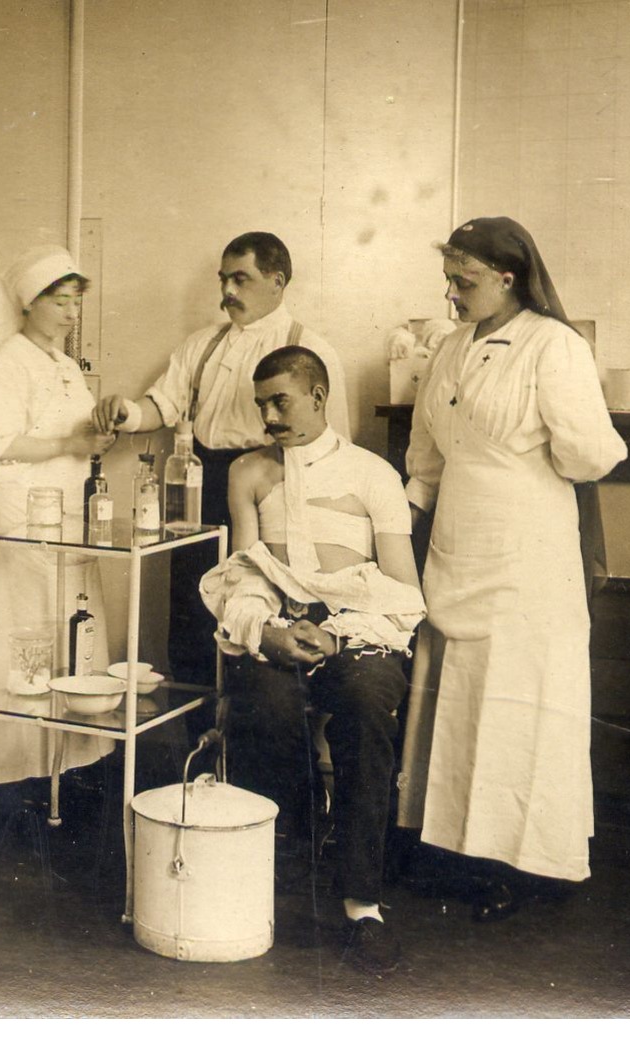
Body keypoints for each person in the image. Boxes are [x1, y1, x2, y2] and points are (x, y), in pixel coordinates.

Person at [397, 216, 627, 921]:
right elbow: (425, 462)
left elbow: (591, 455)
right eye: (448, 281)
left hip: (528, 557)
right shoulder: (447, 350)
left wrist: (519, 474)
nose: (451, 296)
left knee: (517, 710)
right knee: (457, 702)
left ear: (507, 276)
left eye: (463, 282)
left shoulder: (552, 346)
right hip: (456, 549)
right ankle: (450, 851)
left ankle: (522, 863)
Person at [200, 345, 424, 974]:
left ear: (319, 397)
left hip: (358, 631)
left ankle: (362, 904)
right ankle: (287, 863)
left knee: (364, 702)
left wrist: (342, 636)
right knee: (265, 704)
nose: (269, 415)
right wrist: (265, 631)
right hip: (275, 624)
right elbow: (243, 576)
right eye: (261, 403)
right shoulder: (247, 472)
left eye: (282, 401)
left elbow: (404, 591)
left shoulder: (372, 473)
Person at [93, 232, 351, 685]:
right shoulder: (203, 345)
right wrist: (126, 413)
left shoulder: (310, 349)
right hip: (201, 486)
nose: (227, 292)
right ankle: (199, 739)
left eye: (240, 279)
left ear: (277, 281)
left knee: (262, 611)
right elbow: (162, 406)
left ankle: (250, 742)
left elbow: (334, 444)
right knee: (195, 610)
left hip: (273, 485)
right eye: (223, 279)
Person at [0, 246, 117, 785]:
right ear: (29, 304)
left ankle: (66, 758)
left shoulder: (63, 364)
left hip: (66, 506)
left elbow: (74, 437)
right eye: (59, 301)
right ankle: (15, 764)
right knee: (23, 628)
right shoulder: (9, 358)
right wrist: (70, 441)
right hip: (22, 507)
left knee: (68, 623)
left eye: (75, 302)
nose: (71, 313)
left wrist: (95, 436)